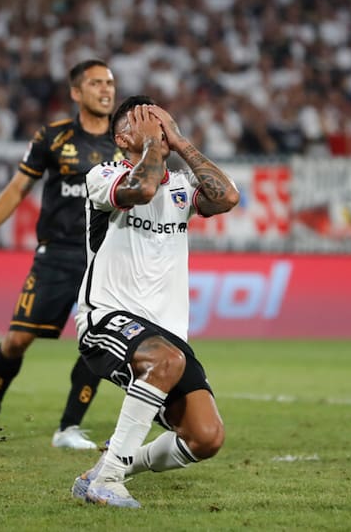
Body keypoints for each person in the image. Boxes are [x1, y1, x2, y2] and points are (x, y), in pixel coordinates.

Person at [69, 95, 240, 507]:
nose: (156, 130)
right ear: (121, 135)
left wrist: (179, 142)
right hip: (106, 318)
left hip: (167, 337)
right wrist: (151, 145)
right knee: (165, 360)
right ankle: (108, 481)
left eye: (161, 123)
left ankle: (113, 462)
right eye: (144, 122)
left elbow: (228, 198)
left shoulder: (181, 189)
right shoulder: (103, 175)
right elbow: (143, 188)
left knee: (206, 437)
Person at [0, 59, 121, 449]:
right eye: (97, 83)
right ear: (76, 92)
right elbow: (19, 188)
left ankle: (68, 428)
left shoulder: (124, 144)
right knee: (17, 340)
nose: (106, 89)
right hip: (55, 254)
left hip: (102, 257)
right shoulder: (52, 137)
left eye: (110, 83)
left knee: (99, 344)